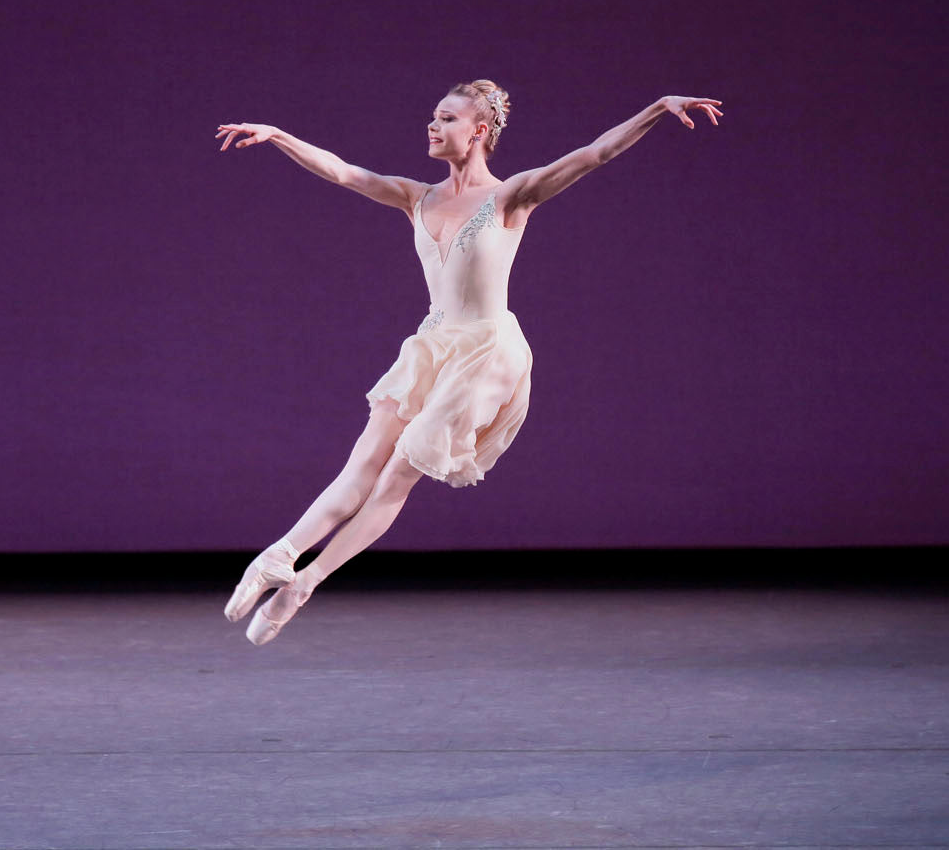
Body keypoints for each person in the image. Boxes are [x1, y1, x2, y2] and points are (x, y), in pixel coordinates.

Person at [215, 81, 723, 645]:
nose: (433, 127)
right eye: (433, 116)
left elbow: (595, 153)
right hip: (434, 345)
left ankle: (304, 583)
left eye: (447, 118)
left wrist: (657, 108)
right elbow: (343, 172)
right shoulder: (416, 196)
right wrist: (279, 135)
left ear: (479, 131)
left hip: (486, 352)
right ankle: (276, 558)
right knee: (360, 466)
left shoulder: (512, 197)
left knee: (398, 476)